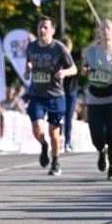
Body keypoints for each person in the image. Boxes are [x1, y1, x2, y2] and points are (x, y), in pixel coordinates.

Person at [24, 15, 75, 177]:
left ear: (52, 30)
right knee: (37, 128)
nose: (43, 30)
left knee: (54, 132)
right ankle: (44, 145)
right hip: (37, 95)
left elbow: (74, 68)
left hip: (56, 96)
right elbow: (29, 63)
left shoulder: (59, 48)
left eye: (46, 27)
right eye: (40, 27)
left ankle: (56, 161)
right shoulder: (31, 47)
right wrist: (28, 69)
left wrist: (64, 72)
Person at [83, 18, 112, 182]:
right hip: (94, 98)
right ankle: (101, 152)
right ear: (99, 33)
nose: (105, 30)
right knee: (96, 136)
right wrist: (86, 70)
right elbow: (85, 69)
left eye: (108, 27)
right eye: (102, 28)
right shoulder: (92, 51)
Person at [62, 35, 79, 152]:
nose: (67, 50)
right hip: (60, 92)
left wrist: (96, 39)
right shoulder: (58, 58)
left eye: (69, 47)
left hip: (72, 92)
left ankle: (67, 142)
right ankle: (58, 139)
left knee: (68, 117)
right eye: (65, 47)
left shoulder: (72, 57)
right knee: (58, 116)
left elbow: (84, 51)